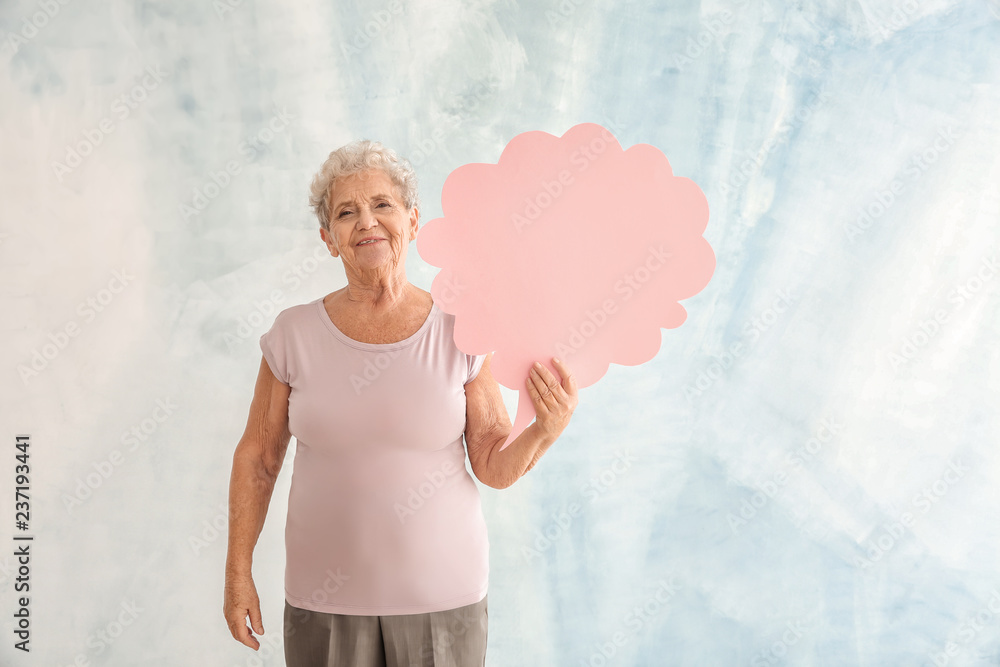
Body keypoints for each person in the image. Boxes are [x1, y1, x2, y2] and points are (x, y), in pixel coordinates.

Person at [223, 139, 579, 666]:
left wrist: (544, 430)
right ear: (329, 239)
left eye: (382, 205)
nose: (366, 221)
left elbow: (492, 463)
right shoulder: (292, 336)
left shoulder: (462, 330)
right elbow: (258, 458)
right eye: (347, 212)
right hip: (323, 603)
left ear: (413, 222)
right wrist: (237, 572)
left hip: (444, 602)